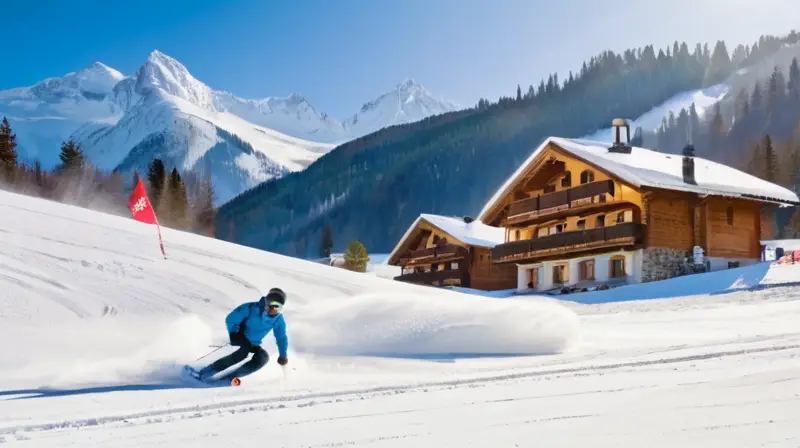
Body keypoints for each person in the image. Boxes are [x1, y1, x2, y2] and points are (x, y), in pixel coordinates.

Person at [195, 287, 289, 382]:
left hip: (253, 344)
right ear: (267, 302)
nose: (275, 309)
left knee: (263, 358)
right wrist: (234, 333)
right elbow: (231, 319)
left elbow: (281, 338)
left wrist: (283, 356)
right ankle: (206, 372)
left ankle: (229, 378)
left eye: (278, 307)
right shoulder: (251, 308)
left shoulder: (278, 319)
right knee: (243, 352)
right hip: (239, 336)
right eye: (274, 305)